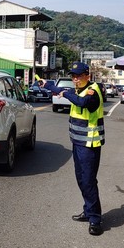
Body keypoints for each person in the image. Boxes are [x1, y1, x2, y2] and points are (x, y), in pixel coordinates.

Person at [41, 62, 105, 236]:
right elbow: (67, 94)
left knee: (89, 180)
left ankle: (95, 220)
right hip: (77, 142)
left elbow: (83, 103)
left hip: (89, 144)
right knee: (81, 179)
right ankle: (88, 210)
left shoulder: (93, 90)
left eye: (78, 76)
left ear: (87, 76)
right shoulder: (77, 90)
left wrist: (67, 93)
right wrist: (48, 86)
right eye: (73, 76)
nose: (75, 79)